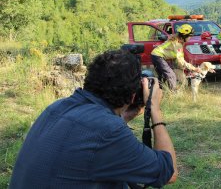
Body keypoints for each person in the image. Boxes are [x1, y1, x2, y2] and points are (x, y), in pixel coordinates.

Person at [10, 50, 177, 188]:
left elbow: (87, 140)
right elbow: (169, 173)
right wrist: (154, 108)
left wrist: (124, 116)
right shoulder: (108, 131)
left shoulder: (57, 107)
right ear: (133, 96)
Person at [151, 23, 201, 90]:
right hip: (158, 56)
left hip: (155, 55)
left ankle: (160, 91)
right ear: (184, 36)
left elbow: (178, 61)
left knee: (163, 76)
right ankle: (173, 94)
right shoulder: (177, 44)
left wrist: (184, 68)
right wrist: (194, 68)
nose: (190, 38)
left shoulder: (178, 41)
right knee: (171, 75)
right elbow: (181, 61)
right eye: (189, 36)